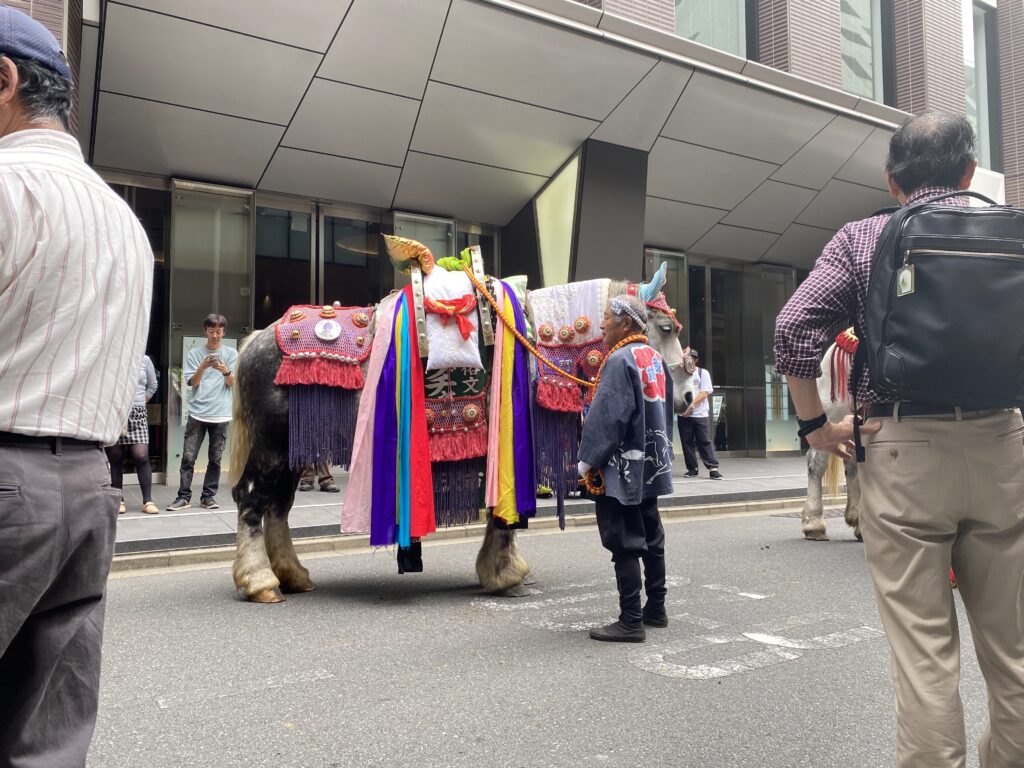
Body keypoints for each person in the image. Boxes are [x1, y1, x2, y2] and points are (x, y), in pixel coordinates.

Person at [774, 112, 1024, 767]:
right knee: (1016, 651)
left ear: (892, 181)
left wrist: (817, 428)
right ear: (970, 174)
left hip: (900, 446)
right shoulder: (1013, 232)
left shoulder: (865, 238)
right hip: (1003, 445)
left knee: (925, 660)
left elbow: (793, 331)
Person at [0, 7, 154, 764]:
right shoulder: (125, 222)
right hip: (88, 488)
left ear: (2, 80)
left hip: (3, 475)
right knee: (48, 737)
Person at [578, 294, 674, 643]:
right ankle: (656, 609)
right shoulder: (654, 358)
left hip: (623, 468)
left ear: (626, 322)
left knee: (625, 540)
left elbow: (608, 417)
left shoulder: (619, 360)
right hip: (652, 462)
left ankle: (631, 619)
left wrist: (586, 459)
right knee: (652, 536)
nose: (601, 324)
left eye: (606, 317)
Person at [167, 314, 237, 510]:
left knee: (215, 459)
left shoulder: (231, 354)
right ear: (205, 331)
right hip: (198, 412)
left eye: (219, 331)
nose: (215, 335)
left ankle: (208, 496)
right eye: (212, 331)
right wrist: (203, 367)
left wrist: (225, 371)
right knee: (189, 457)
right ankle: (183, 496)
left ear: (224, 332)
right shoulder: (194, 354)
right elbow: (192, 383)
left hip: (221, 413)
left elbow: (233, 384)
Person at [107, 354, 159, 514]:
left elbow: (153, 385)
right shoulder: (111, 357)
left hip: (138, 412)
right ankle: (119, 500)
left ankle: (147, 501)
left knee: (141, 455)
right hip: (116, 412)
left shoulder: (144, 359)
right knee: (115, 457)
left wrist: (142, 400)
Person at [678, 349, 722, 479]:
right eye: (687, 358)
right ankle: (692, 468)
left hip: (700, 414)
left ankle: (713, 468)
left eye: (692, 358)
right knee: (687, 442)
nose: (689, 360)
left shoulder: (703, 373)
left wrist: (691, 406)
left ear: (696, 360)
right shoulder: (680, 374)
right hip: (684, 415)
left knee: (704, 441)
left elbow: (704, 392)